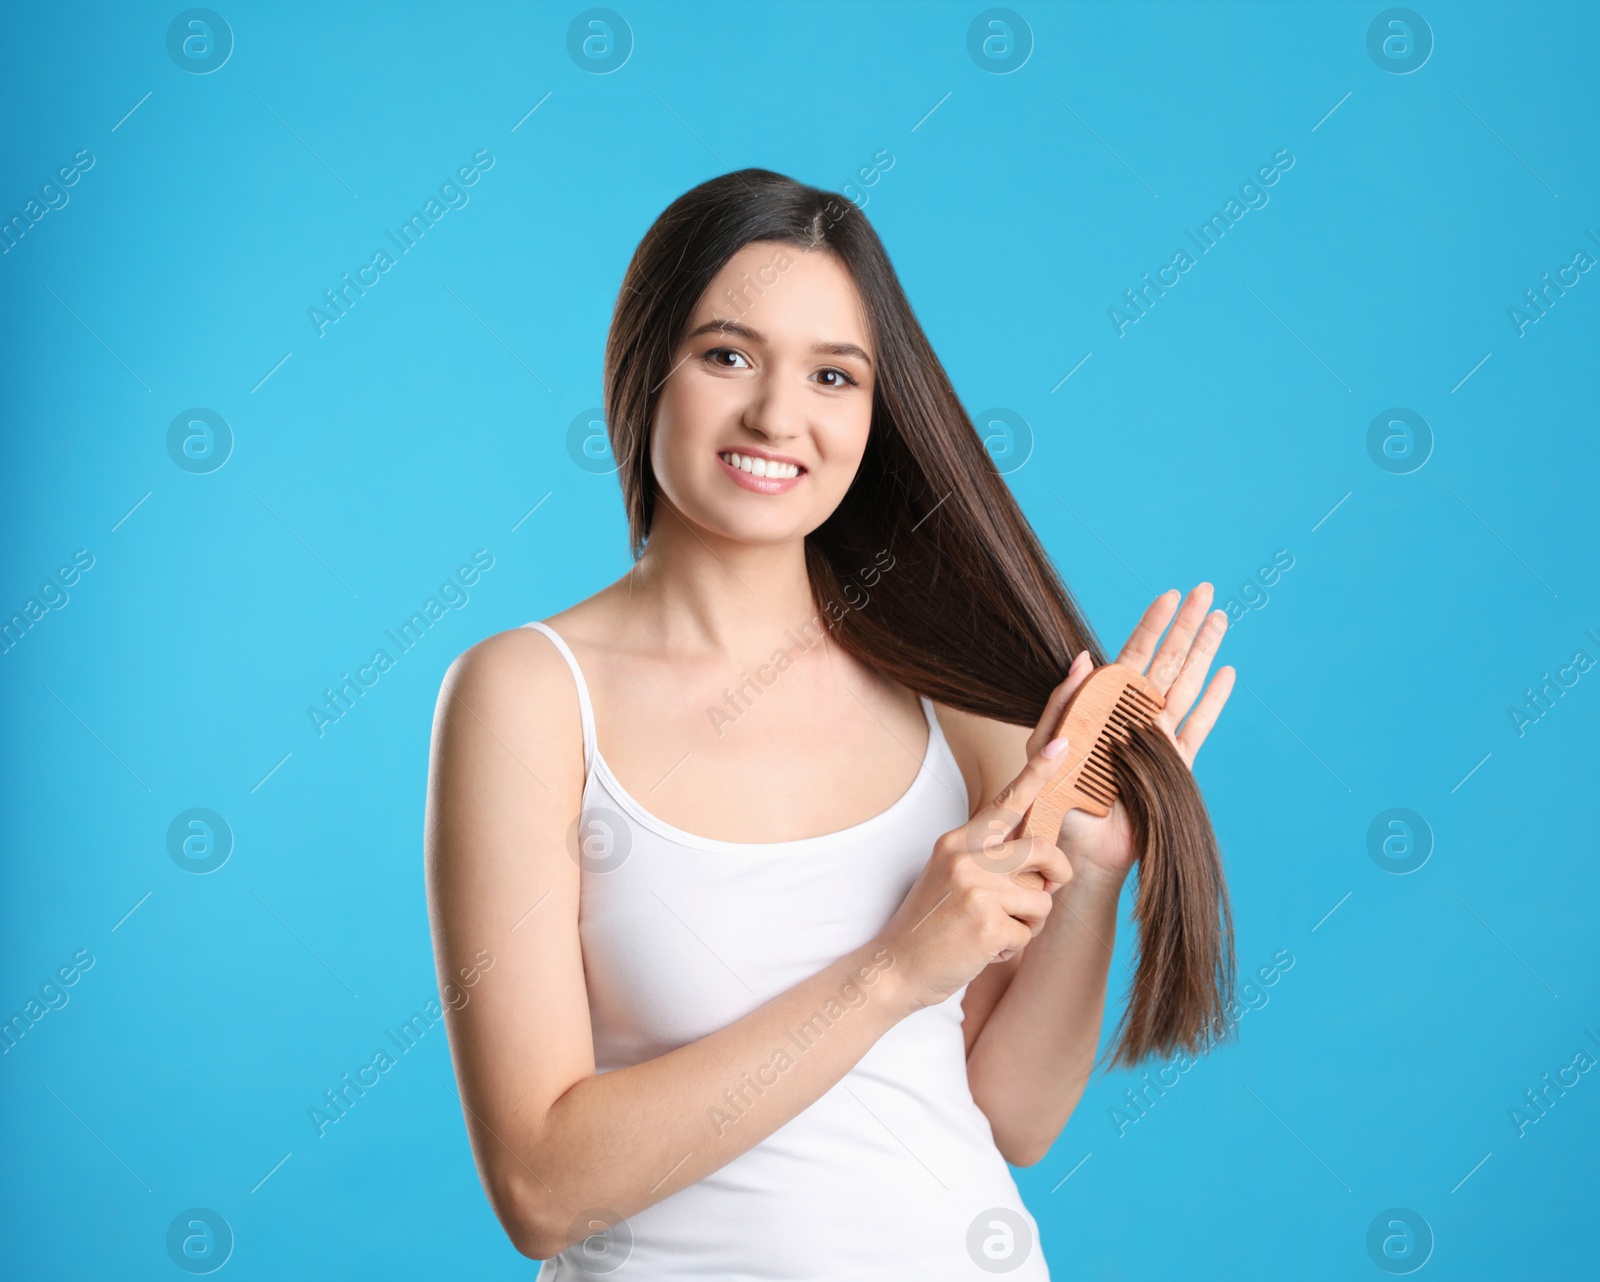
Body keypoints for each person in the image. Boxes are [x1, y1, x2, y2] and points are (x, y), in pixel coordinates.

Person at [424, 168, 1235, 1280]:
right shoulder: (526, 693)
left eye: (833, 375)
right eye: (727, 354)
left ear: (873, 410)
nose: (777, 416)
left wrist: (1093, 873)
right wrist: (895, 968)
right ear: (643, 368)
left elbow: (1011, 1119)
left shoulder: (950, 691)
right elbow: (541, 1188)